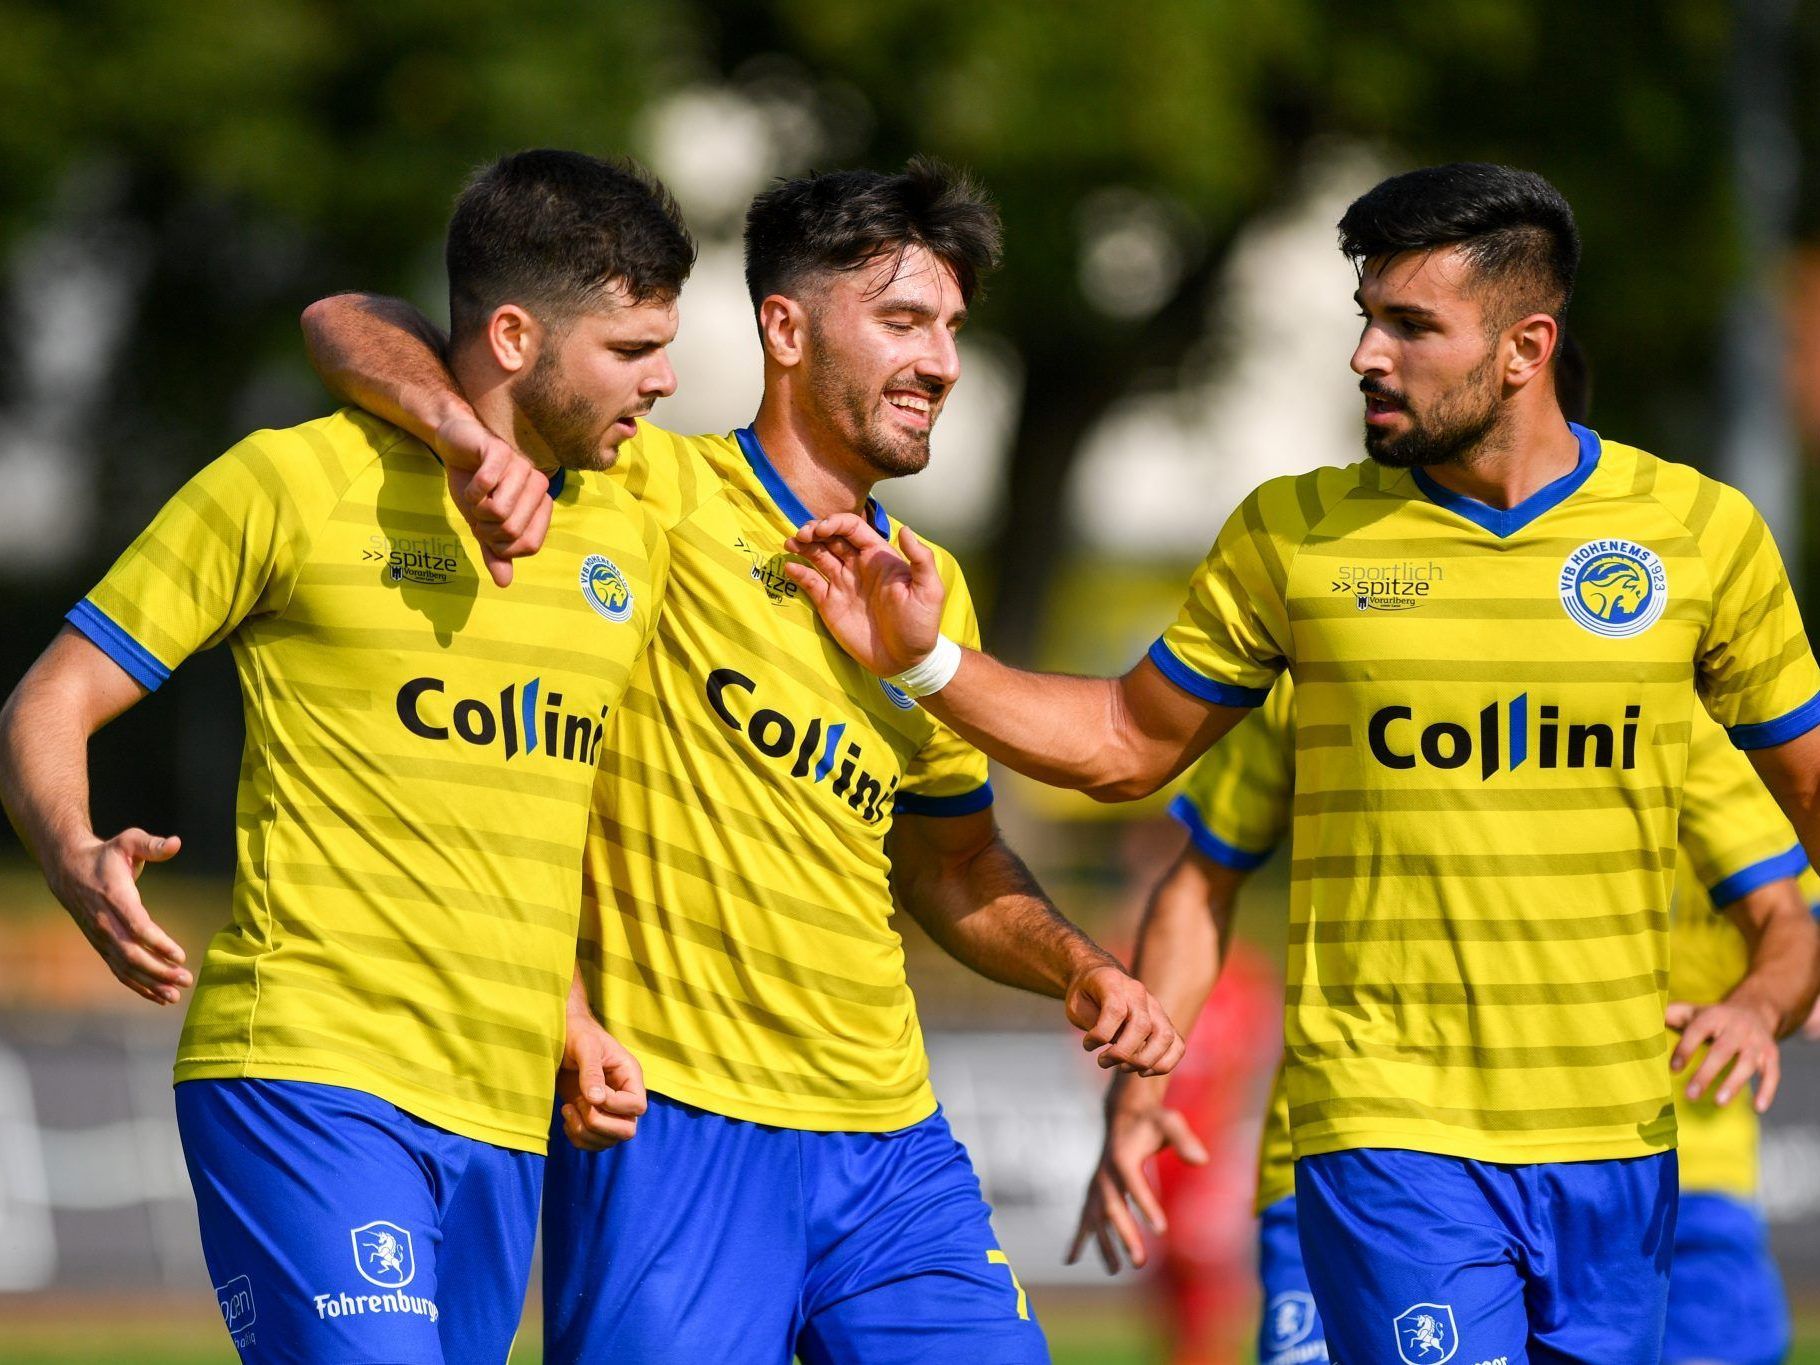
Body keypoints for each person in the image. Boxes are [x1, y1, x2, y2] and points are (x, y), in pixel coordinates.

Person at [783, 161, 1820, 1362]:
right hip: (1389, 1136)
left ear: (1524, 349)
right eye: (1364, 317)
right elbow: (1122, 744)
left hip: (1621, 1151)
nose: (1365, 356)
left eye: (1410, 326)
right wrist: (926, 662)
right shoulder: (1294, 536)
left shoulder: (1699, 535)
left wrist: (1767, 996)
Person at [299, 157, 1180, 1365]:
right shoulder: (647, 490)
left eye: (951, 328)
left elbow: (954, 865)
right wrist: (462, 436)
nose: (940, 362)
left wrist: (1079, 969)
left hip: (888, 1143)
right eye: (902, 322)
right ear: (785, 329)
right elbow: (347, 320)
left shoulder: (929, 590)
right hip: (676, 1131)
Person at [0, 149, 690, 1362]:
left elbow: (516, 814)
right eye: (631, 349)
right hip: (306, 1070)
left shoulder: (631, 533)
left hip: (502, 1112)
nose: (665, 379)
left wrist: (569, 1014)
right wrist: (71, 847)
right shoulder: (296, 480)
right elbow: (49, 699)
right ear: (515, 337)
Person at [1078, 679, 1816, 1365]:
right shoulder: (1319, 647)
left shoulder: (1668, 695)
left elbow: (1789, 923)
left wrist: (1763, 1001)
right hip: (1354, 1152)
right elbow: (1197, 881)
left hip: (1634, 1176)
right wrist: (1141, 1089)